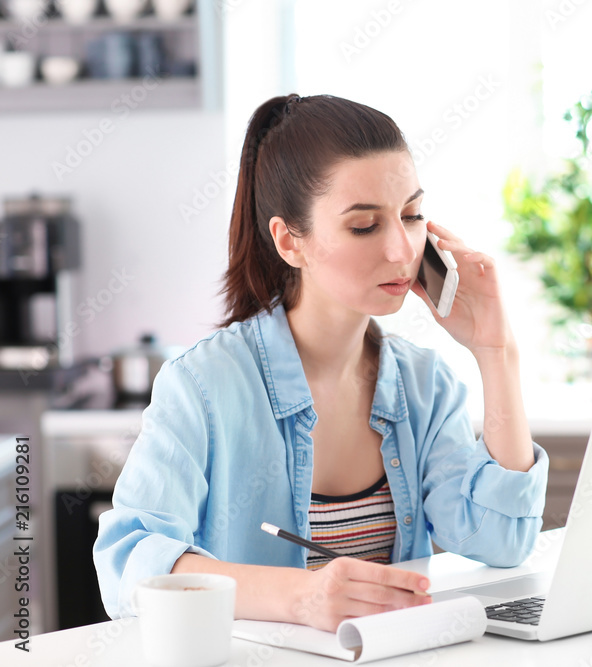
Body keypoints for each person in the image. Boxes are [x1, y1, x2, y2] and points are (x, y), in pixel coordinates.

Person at [94, 94, 548, 632]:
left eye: (412, 215)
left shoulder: (425, 385)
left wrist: (496, 353)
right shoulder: (204, 383)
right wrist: (300, 596)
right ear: (290, 242)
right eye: (364, 226)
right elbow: (128, 564)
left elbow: (502, 542)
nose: (403, 250)